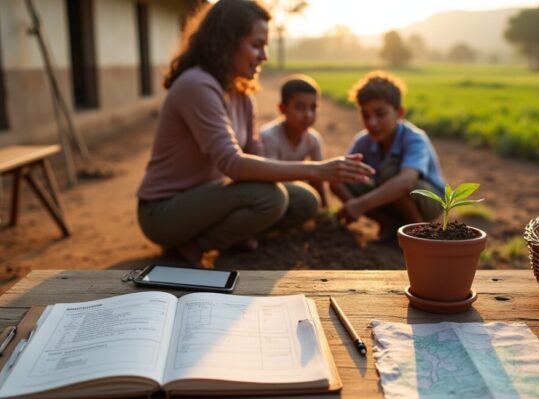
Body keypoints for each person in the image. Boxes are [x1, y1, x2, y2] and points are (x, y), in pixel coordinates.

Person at [136, 0, 374, 265]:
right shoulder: (197, 85)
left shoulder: (241, 93)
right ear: (226, 43)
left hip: (211, 197)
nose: (265, 56)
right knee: (270, 198)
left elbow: (254, 152)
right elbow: (233, 164)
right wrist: (315, 170)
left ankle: (236, 233)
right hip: (164, 212)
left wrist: (308, 178)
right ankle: (196, 245)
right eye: (257, 45)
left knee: (305, 200)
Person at [331, 70, 445, 241]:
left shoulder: (415, 138)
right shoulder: (363, 141)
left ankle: (419, 232)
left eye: (380, 114)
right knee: (338, 176)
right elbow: (340, 174)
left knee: (392, 173)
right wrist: (350, 203)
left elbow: (406, 182)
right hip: (391, 199)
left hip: (428, 200)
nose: (372, 122)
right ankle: (387, 224)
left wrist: (359, 205)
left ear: (399, 112)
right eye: (365, 115)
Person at [260, 74, 329, 209]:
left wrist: (325, 211)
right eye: (299, 107)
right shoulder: (269, 137)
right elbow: (270, 179)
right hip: (272, 195)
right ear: (282, 109)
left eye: (313, 108)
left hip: (294, 194)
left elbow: (318, 181)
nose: (308, 115)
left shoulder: (313, 139)